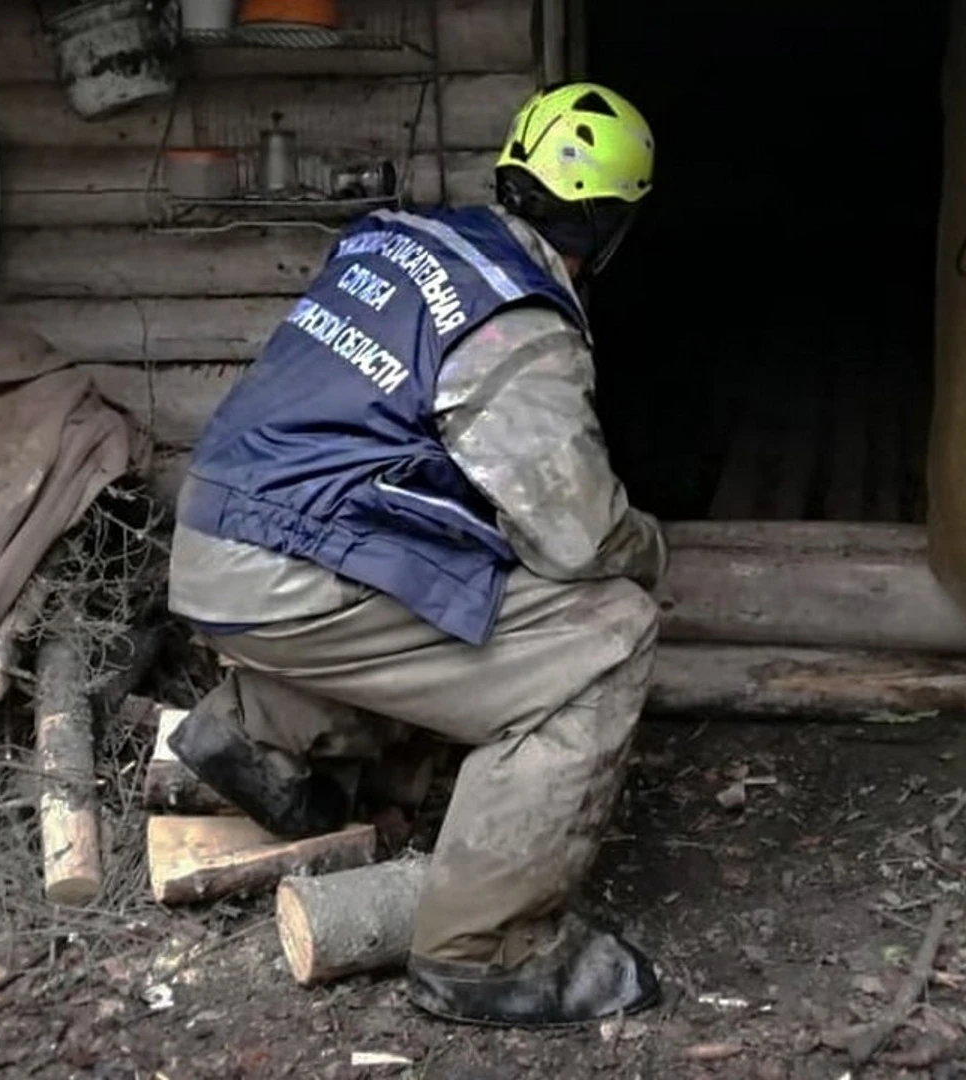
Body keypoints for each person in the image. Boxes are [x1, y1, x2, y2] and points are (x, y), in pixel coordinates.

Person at [164, 82, 668, 1028]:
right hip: (291, 572)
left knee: (450, 575)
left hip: (212, 543)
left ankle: (260, 734)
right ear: (609, 227)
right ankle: (487, 953)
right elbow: (580, 535)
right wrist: (653, 548)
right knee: (608, 631)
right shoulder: (514, 321)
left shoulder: (397, 243)